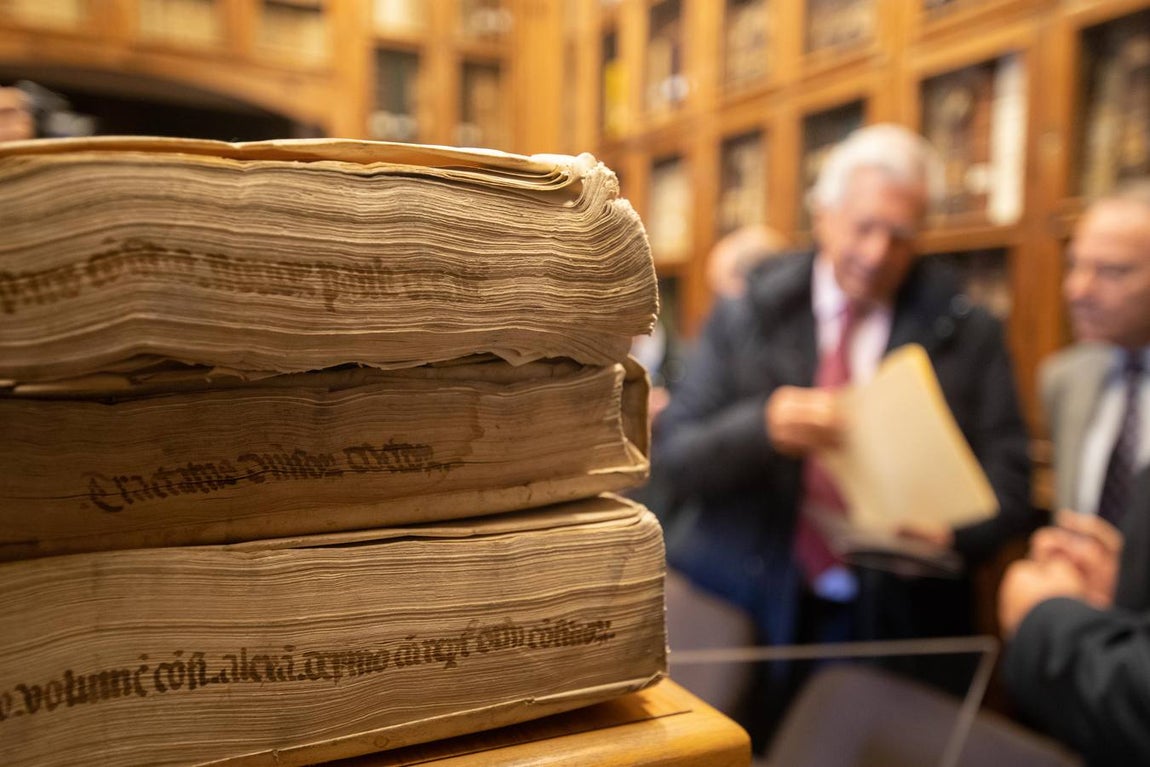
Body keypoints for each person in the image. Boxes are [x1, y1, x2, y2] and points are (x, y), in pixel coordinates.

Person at [651, 123, 1035, 745]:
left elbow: (1014, 485)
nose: (879, 251)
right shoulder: (751, 310)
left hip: (893, 623)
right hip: (745, 602)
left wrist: (955, 534)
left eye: (901, 236)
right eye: (863, 226)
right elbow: (677, 455)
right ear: (823, 215)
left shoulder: (966, 330)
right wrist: (763, 427)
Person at [998, 180, 1150, 765]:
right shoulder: (1066, 377)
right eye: (1074, 266)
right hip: (1067, 666)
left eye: (1112, 272)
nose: (1078, 291)